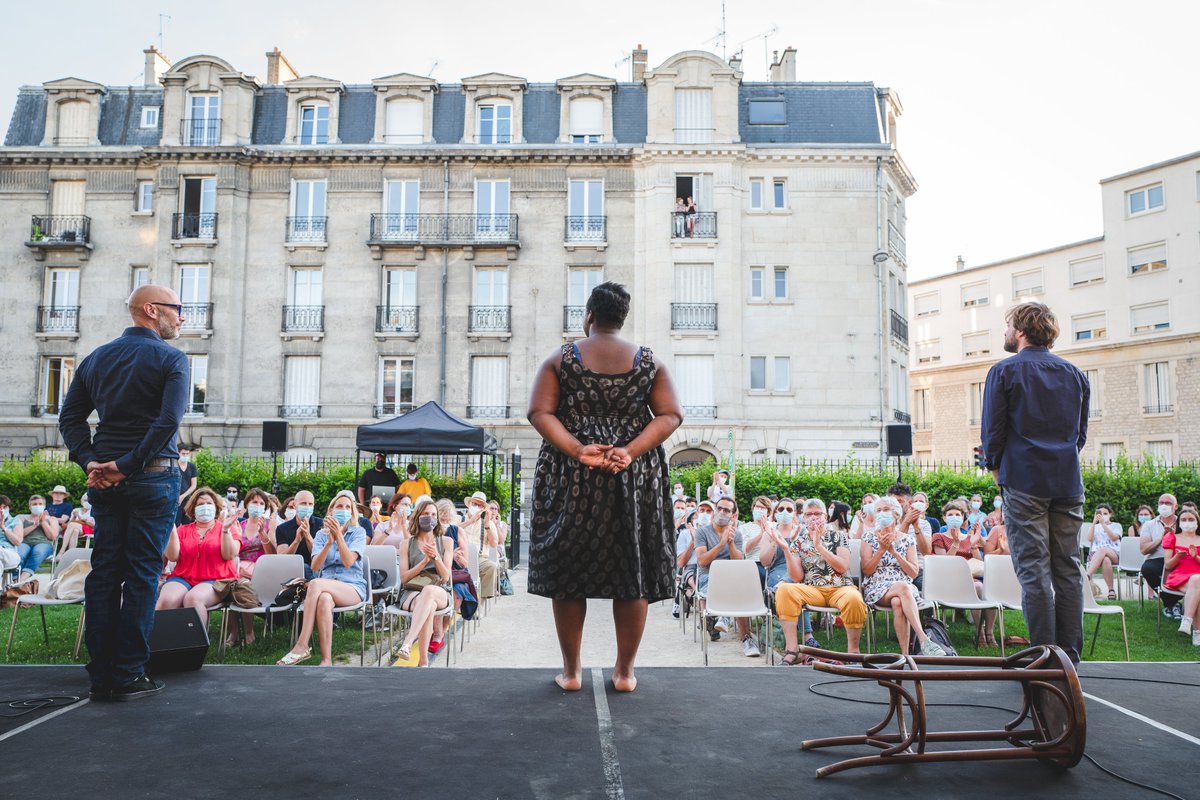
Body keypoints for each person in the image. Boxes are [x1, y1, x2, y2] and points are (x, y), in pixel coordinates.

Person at [526, 281, 682, 692]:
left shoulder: (560, 359)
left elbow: (539, 412)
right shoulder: (651, 362)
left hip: (570, 475)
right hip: (632, 475)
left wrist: (579, 450)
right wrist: (629, 451)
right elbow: (669, 416)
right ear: (622, 318)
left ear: (589, 316)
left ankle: (572, 672)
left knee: (568, 570)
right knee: (632, 570)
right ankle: (625, 672)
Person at [981, 301, 1089, 663]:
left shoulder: (1003, 371)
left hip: (1024, 481)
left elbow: (992, 432)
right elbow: (1080, 436)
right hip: (1067, 482)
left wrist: (996, 469)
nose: (1005, 332)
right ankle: (1069, 658)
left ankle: (1043, 658)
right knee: (1068, 568)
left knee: (1034, 571)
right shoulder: (1075, 374)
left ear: (1022, 330)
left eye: (1008, 325)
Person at [278, 491, 369, 666]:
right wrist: (329, 542)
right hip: (326, 587)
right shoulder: (320, 535)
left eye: (348, 507)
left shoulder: (358, 532)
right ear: (331, 511)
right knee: (325, 600)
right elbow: (315, 566)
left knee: (314, 583)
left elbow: (349, 561)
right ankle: (326, 660)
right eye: (339, 506)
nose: (344, 510)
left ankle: (302, 644)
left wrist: (339, 537)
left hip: (352, 587)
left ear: (352, 512)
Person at [775, 499, 867, 664]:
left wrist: (819, 547)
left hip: (840, 588)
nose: (813, 517)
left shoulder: (839, 536)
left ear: (825, 515)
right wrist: (786, 550)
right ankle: (793, 650)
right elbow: (796, 577)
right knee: (784, 590)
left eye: (817, 513)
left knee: (854, 598)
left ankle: (853, 652)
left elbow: (842, 566)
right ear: (803, 517)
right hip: (813, 590)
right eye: (809, 514)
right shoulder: (799, 542)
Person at [860, 497, 946, 656]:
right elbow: (867, 570)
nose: (881, 513)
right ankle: (923, 640)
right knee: (903, 588)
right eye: (878, 510)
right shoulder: (868, 537)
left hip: (904, 589)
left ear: (896, 514)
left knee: (898, 602)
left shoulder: (907, 539)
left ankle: (906, 655)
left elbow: (913, 573)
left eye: (885, 509)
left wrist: (893, 551)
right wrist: (881, 550)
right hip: (877, 587)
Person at [157, 488, 240, 622]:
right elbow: (173, 557)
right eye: (200, 504)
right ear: (193, 509)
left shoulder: (226, 527)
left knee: (193, 599)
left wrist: (225, 530)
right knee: (167, 600)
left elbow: (229, 555)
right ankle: (161, 640)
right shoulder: (182, 530)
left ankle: (196, 642)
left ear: (216, 507)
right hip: (184, 577)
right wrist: (171, 527)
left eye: (209, 503)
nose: (205, 507)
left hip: (217, 579)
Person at [694, 497, 760, 657]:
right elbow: (702, 561)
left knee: (738, 587)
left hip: (732, 579)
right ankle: (736, 629)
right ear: (715, 510)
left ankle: (741, 634)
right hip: (708, 579)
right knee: (736, 591)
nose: (722, 512)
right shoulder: (702, 532)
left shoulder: (736, 534)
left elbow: (738, 561)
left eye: (727, 510)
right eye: (720, 508)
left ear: (733, 515)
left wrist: (730, 543)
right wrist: (720, 543)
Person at [393, 499, 455, 665]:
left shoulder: (446, 542)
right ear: (418, 516)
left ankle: (407, 642)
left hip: (439, 590)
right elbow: (404, 578)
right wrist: (423, 562)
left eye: (433, 514)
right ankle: (423, 661)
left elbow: (446, 577)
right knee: (429, 606)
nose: (430, 517)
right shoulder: (406, 544)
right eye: (426, 514)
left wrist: (435, 557)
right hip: (412, 591)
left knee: (428, 592)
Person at [1140, 494, 1180, 619]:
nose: (1164, 505)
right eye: (1161, 502)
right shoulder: (1149, 525)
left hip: (1178, 559)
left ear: (1175, 506)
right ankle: (1173, 603)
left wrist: (1175, 537)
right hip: (1156, 559)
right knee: (1147, 569)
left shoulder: (1183, 522)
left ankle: (1171, 604)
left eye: (1168, 503)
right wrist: (1161, 539)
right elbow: (1144, 549)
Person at [1166, 507, 1200, 646]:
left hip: (1197, 576)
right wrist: (1178, 556)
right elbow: (1167, 565)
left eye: (1191, 519)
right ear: (1179, 522)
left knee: (1198, 581)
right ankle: (1196, 632)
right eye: (1184, 520)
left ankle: (1187, 621)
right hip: (1180, 576)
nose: (1187, 522)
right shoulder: (1172, 537)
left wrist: (1196, 557)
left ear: (1197, 522)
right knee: (1197, 580)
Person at [457, 491, 500, 599]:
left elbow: (494, 544)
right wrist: (470, 521)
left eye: (479, 505)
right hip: (459, 556)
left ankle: (481, 601)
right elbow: (450, 531)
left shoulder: (488, 523)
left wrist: (486, 525)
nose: (476, 507)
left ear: (483, 508)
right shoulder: (458, 519)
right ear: (469, 504)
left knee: (491, 566)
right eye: (474, 504)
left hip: (479, 558)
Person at [273, 489, 320, 580]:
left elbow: (320, 556)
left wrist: (307, 536)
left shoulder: (321, 525)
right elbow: (281, 558)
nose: (307, 507)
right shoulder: (282, 528)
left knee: (306, 568)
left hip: (315, 570)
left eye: (310, 504)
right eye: (303, 503)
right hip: (291, 571)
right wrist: (296, 541)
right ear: (295, 505)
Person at [14, 495, 61, 579]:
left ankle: (21, 579)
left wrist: (43, 522)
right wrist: (35, 525)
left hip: (44, 544)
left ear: (44, 506)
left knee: (38, 552)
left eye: (40, 504)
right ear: (29, 507)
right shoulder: (21, 517)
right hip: (24, 543)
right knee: (19, 555)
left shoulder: (52, 519)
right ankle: (15, 579)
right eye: (34, 504)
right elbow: (18, 535)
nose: (37, 506)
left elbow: (53, 536)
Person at [1084, 503, 1122, 599]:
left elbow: (1114, 537)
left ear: (1110, 514)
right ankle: (1111, 590)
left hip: (1114, 554)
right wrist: (1094, 523)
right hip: (1096, 556)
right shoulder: (1094, 527)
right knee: (1106, 560)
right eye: (1100, 514)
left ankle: (1086, 576)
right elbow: (1089, 538)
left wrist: (1103, 524)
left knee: (1103, 549)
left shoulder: (1117, 525)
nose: (1103, 516)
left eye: (1105, 513)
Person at [176, 446, 198, 524]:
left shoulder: (192, 466)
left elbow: (194, 485)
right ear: (178, 453)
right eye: (183, 453)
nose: (185, 455)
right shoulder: (174, 466)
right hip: (176, 500)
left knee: (188, 524)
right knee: (176, 524)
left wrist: (183, 496)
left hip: (188, 500)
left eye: (187, 454)